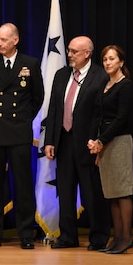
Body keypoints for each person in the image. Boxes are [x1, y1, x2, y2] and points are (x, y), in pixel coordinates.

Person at [0, 23, 44, 249]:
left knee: (23, 185)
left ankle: (26, 233)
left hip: (18, 132)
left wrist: (23, 119)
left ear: (15, 40)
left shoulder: (30, 64)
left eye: (4, 40)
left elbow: (38, 97)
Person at [44, 35, 110, 250]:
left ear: (87, 54)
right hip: (64, 141)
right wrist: (50, 140)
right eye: (69, 50)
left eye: (74, 51)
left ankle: (99, 237)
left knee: (92, 194)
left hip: (88, 144)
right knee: (65, 192)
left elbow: (103, 114)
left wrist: (99, 141)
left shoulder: (100, 76)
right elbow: (54, 109)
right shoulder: (62, 74)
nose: (69, 54)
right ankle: (68, 237)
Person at [87, 45, 133, 254]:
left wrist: (101, 141)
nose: (107, 63)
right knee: (112, 194)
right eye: (105, 59)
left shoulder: (125, 86)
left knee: (122, 192)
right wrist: (97, 143)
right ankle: (117, 238)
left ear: (121, 62)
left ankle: (126, 238)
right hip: (105, 143)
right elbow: (99, 117)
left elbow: (121, 119)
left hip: (120, 141)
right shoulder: (105, 85)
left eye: (112, 59)